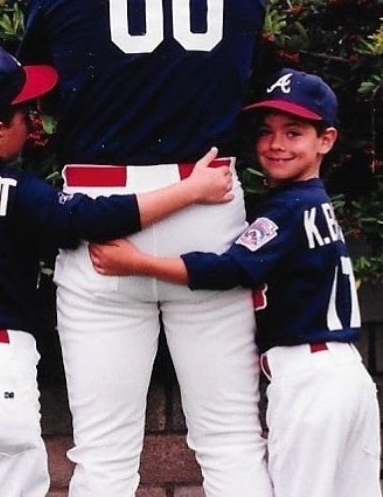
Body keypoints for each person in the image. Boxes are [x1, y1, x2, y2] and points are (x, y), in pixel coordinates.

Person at [19, 0, 273, 497]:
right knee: (230, 444)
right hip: (208, 204)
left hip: (101, 215)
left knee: (101, 458)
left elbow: (43, 78)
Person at [0, 44, 234, 497]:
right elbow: (95, 218)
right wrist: (190, 190)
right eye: (22, 110)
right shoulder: (16, 189)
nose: (33, 118)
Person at [90, 68, 382, 497]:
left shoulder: (287, 210)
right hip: (346, 376)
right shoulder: (314, 202)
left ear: (326, 140)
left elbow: (230, 270)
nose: (276, 144)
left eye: (294, 132)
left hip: (308, 379)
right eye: (266, 131)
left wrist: (139, 261)